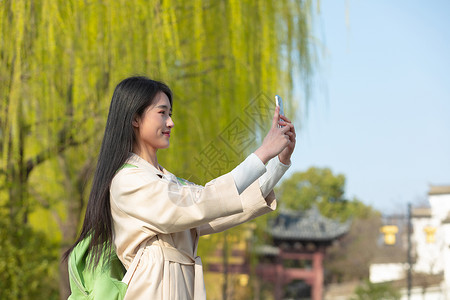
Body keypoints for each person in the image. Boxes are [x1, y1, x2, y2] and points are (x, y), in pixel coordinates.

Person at [64, 76, 296, 299]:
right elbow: (201, 202)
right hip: (151, 290)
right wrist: (262, 153)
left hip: (180, 286)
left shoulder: (168, 181)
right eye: (162, 113)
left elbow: (220, 205)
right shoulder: (127, 180)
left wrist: (279, 162)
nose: (170, 122)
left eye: (170, 114)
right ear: (135, 118)